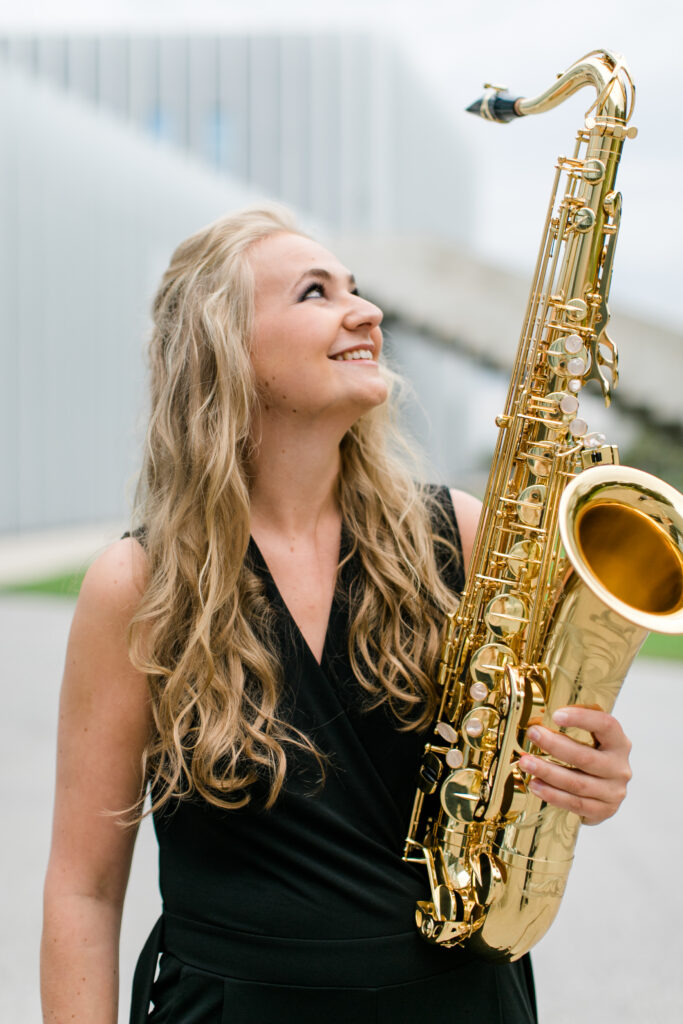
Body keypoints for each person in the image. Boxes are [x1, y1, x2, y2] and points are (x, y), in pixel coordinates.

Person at [40, 207, 632, 1024]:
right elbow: (83, 888)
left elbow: (526, 769)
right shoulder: (139, 585)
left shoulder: (461, 534)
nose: (367, 311)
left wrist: (584, 773)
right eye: (315, 293)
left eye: (356, 288)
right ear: (223, 347)